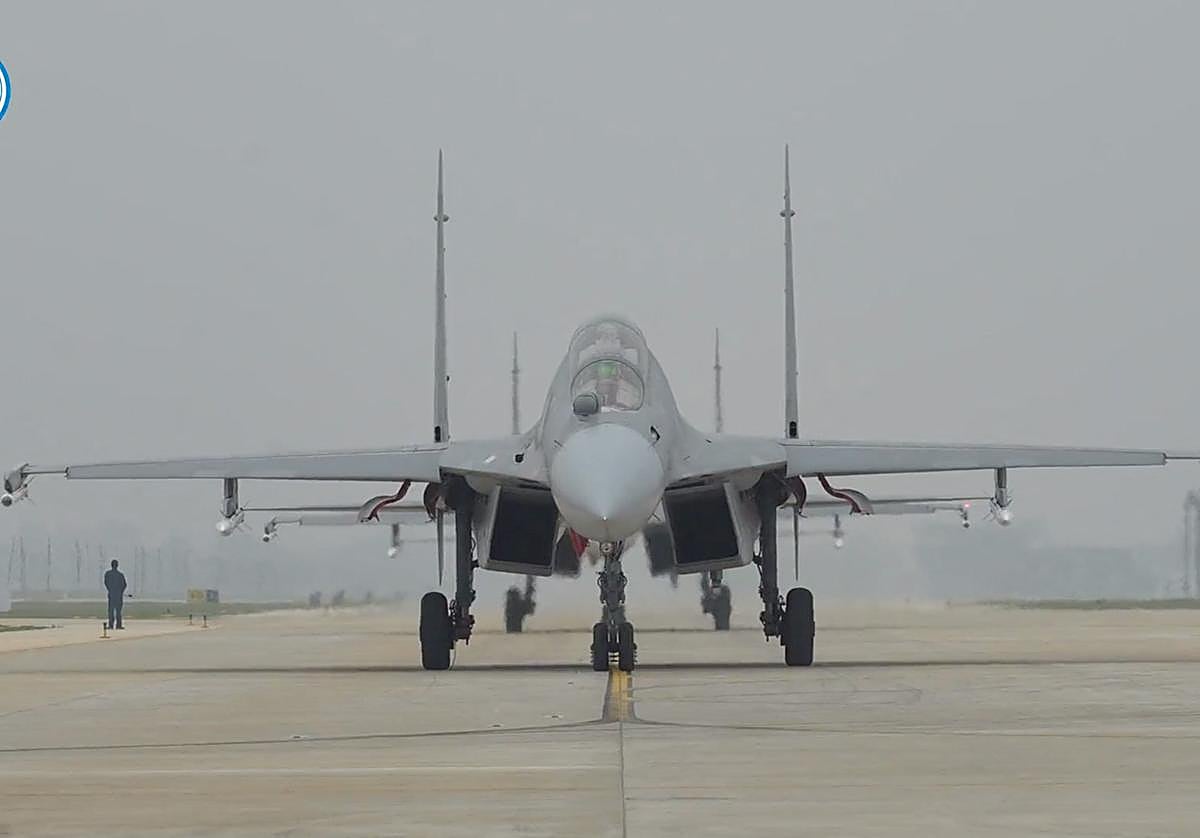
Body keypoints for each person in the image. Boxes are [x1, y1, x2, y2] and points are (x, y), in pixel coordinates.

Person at [104, 559, 127, 630]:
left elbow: (106, 583)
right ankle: (118, 625)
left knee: (111, 610)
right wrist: (120, 591)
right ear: (117, 565)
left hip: (111, 594)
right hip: (118, 595)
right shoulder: (120, 575)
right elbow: (124, 585)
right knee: (118, 611)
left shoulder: (108, 574)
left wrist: (110, 590)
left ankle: (111, 625)